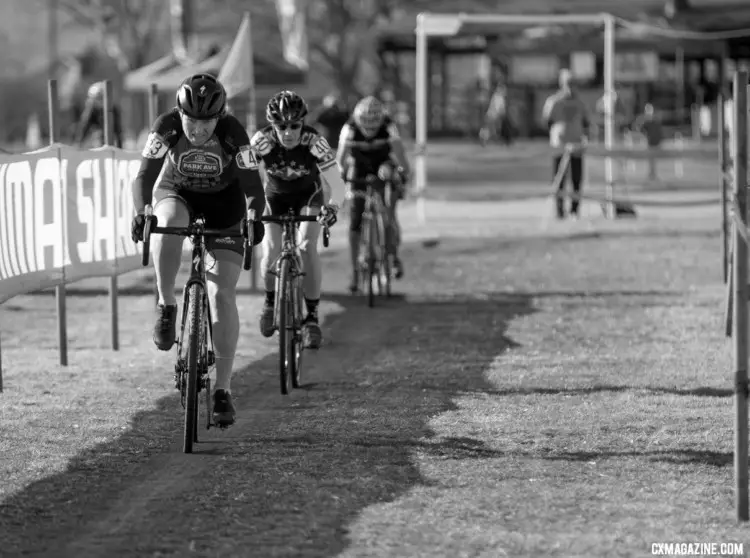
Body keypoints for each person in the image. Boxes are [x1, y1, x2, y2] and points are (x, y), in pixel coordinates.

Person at [130, 73, 266, 427]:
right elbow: (145, 175)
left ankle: (222, 390)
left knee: (223, 294)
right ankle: (166, 304)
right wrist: (142, 210)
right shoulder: (166, 127)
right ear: (180, 113)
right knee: (166, 223)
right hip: (179, 192)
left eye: (206, 122)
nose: (198, 129)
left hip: (226, 205)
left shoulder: (234, 133)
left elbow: (253, 184)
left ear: (218, 118)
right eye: (191, 120)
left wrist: (254, 215)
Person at [251, 90, 343, 349]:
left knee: (306, 247)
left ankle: (312, 317)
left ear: (303, 124)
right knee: (270, 251)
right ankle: (270, 303)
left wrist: (333, 207)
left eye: (294, 125)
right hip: (275, 198)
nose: (288, 132)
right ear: (272, 125)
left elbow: (337, 183)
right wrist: (249, 207)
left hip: (309, 197)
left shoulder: (314, 142)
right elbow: (242, 176)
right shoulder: (261, 141)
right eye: (281, 126)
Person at [335, 95, 411, 292]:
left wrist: (403, 175)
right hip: (358, 169)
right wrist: (338, 180)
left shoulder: (388, 126)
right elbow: (340, 161)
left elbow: (400, 156)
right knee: (354, 221)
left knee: (389, 211)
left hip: (382, 166)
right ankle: (354, 272)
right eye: (365, 124)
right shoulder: (350, 128)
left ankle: (392, 256)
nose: (369, 129)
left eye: (373, 125)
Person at [542, 69, 591, 219]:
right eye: (568, 83)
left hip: (576, 146)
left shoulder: (579, 103)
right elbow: (547, 122)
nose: (570, 87)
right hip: (559, 146)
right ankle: (559, 210)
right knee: (559, 180)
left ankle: (575, 210)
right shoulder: (554, 102)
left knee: (576, 180)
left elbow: (586, 122)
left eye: (573, 83)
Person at [75, 81, 124, 148]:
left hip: (109, 138)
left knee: (105, 137)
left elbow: (118, 132)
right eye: (94, 99)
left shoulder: (113, 110)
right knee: (96, 135)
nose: (96, 102)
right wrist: (78, 143)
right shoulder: (91, 110)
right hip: (96, 135)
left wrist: (119, 148)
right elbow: (84, 127)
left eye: (99, 98)